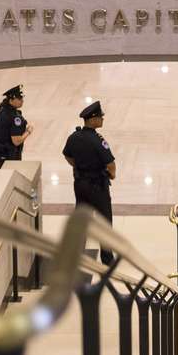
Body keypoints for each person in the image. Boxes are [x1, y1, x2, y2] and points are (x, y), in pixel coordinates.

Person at [62, 100, 116, 265]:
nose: (102, 119)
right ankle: (107, 258)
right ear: (92, 119)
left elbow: (67, 155)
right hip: (97, 186)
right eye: (100, 117)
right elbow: (110, 164)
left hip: (80, 184)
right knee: (104, 221)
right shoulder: (98, 140)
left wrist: (78, 166)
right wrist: (111, 176)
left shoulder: (74, 136)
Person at [0, 85, 34, 168]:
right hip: (10, 157)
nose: (22, 101)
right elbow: (16, 141)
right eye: (19, 99)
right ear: (11, 100)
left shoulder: (1, 110)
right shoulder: (15, 118)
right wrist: (28, 131)